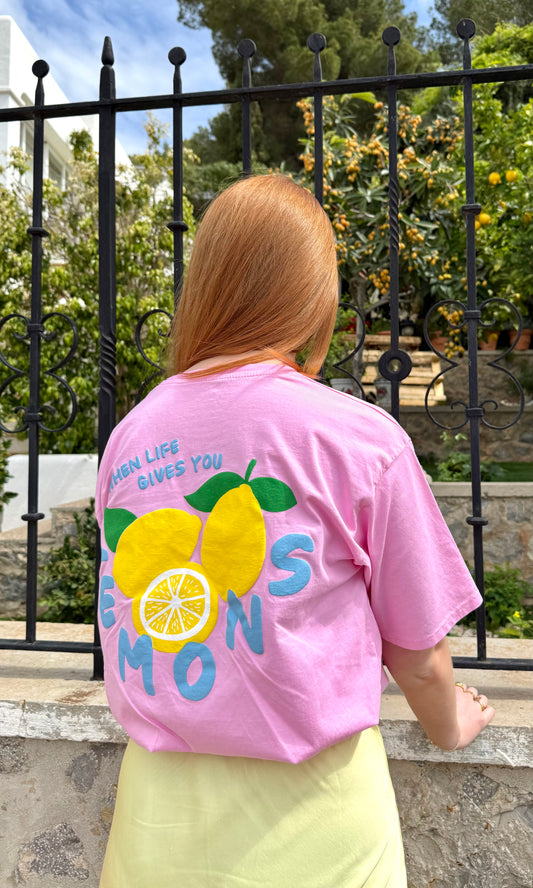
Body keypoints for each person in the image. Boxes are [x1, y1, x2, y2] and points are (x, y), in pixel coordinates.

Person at [95, 174, 494, 888]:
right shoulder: (360, 440)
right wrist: (449, 725)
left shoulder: (130, 437)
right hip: (319, 821)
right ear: (313, 295)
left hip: (156, 822)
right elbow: (419, 656)